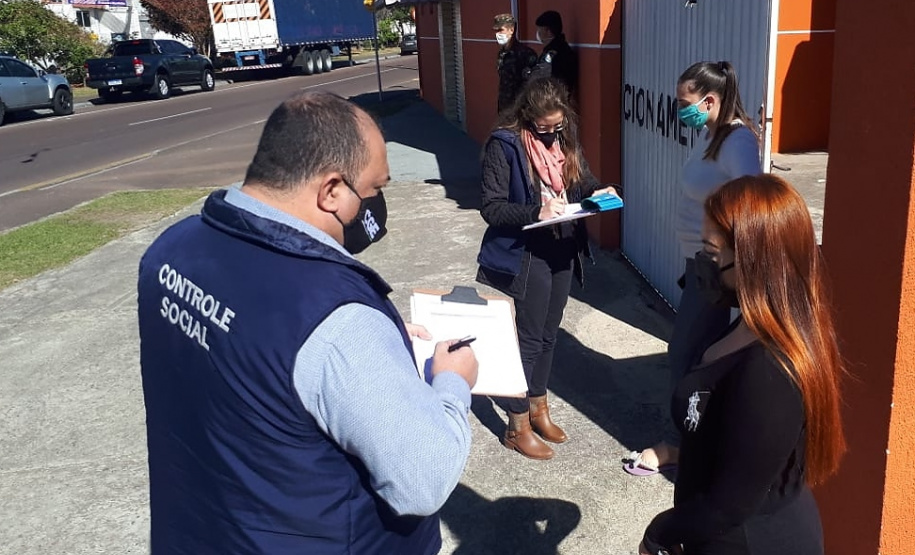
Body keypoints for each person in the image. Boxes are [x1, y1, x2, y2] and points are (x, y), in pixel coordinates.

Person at [137, 91, 479, 554]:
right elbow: (423, 479)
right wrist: (452, 384)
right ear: (332, 190)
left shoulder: (170, 250)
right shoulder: (337, 322)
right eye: (376, 188)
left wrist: (374, 335)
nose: (376, 203)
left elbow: (257, 342)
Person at [638, 174, 846, 555]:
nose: (702, 264)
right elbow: (729, 437)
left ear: (755, 261)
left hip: (749, 542)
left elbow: (728, 506)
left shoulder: (770, 371)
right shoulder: (750, 323)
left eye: (712, 254)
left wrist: (658, 532)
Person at [625, 61, 762, 476]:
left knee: (685, 351)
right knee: (699, 350)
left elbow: (752, 200)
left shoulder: (737, 141)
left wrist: (723, 247)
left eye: (685, 102)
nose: (679, 109)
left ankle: (680, 444)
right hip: (699, 262)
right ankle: (703, 434)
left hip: (715, 265)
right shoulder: (710, 134)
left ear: (710, 100)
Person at [476, 77, 617, 460]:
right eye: (544, 128)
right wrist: (536, 211)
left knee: (550, 335)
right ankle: (516, 423)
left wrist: (597, 192)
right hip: (529, 250)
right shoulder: (504, 145)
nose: (552, 134)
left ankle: (539, 407)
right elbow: (491, 206)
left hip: (564, 244)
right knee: (529, 338)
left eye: (557, 126)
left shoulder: (564, 135)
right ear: (527, 117)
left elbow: (580, 181)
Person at [493, 13, 538, 114]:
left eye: (500, 30)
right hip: (504, 110)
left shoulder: (526, 54)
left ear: (511, 30)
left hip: (521, 111)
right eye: (495, 30)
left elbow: (532, 85)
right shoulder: (502, 54)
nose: (497, 34)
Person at [529, 10, 578, 97]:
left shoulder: (559, 53)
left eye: (540, 29)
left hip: (551, 104)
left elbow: (559, 85)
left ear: (549, 31)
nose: (538, 33)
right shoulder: (551, 50)